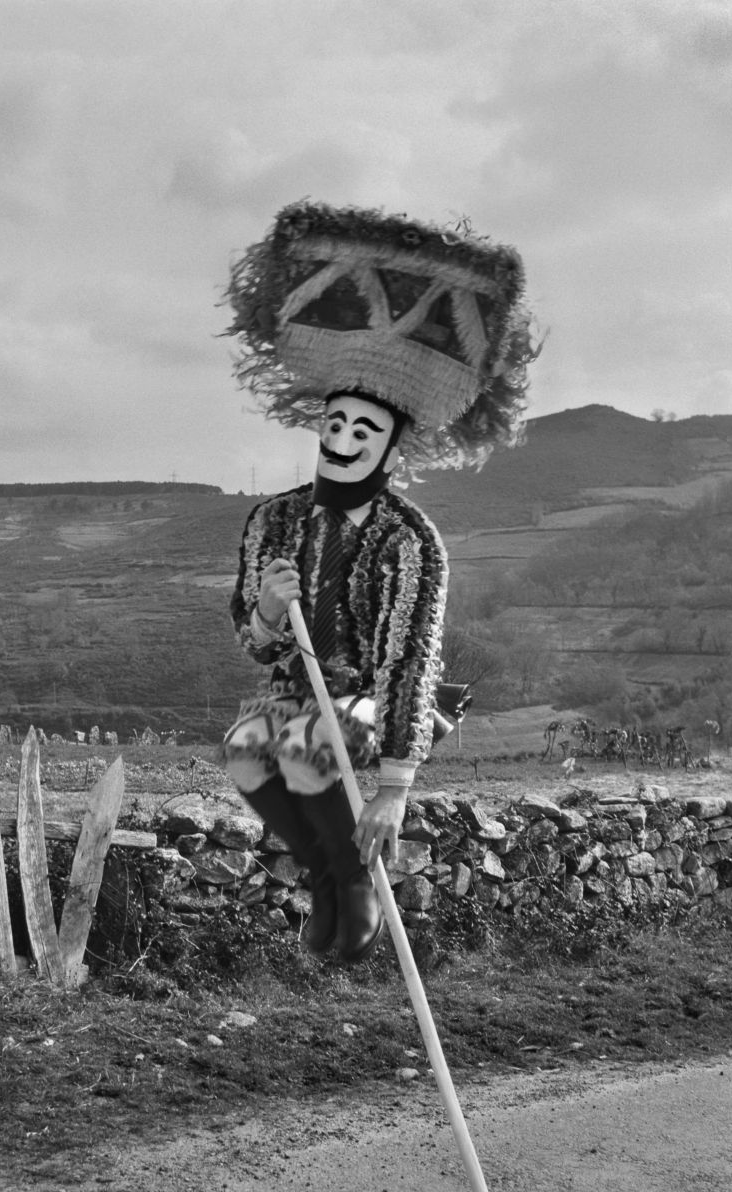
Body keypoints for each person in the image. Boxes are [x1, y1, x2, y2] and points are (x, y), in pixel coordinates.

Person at [221, 200, 534, 964]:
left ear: (390, 448)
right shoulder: (275, 521)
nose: (344, 442)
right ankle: (325, 872)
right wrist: (266, 611)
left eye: (364, 432)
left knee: (302, 741)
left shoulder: (408, 541)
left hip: (374, 699)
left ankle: (357, 880)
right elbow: (255, 646)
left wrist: (395, 784)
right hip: (302, 695)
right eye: (335, 427)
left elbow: (410, 658)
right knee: (245, 745)